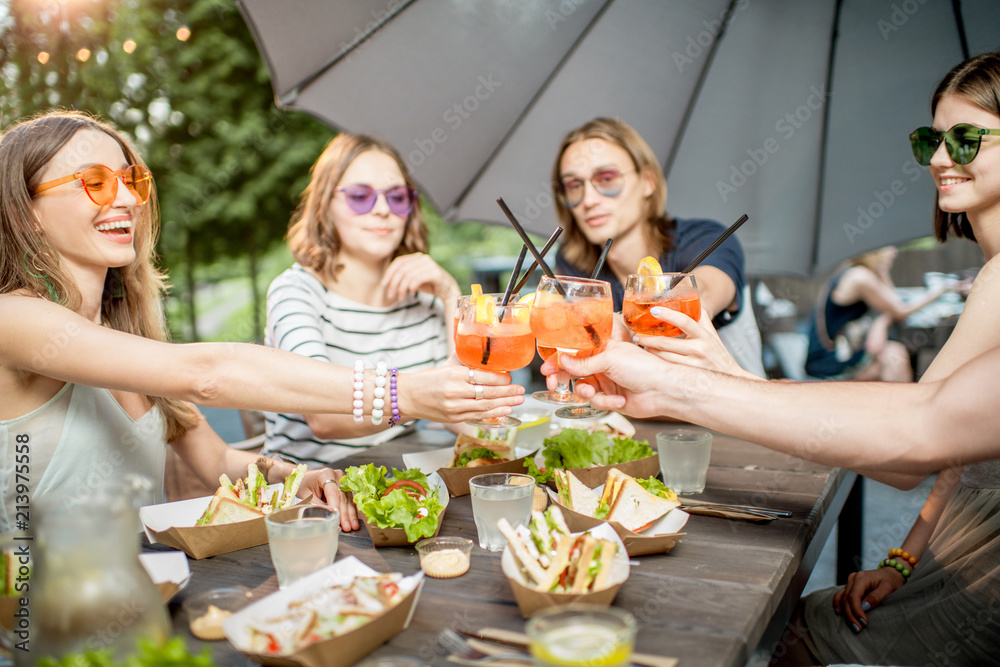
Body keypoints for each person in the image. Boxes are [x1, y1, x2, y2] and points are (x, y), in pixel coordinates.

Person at [544, 50, 1000, 666]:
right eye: (933, 140)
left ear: (646, 180)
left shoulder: (998, 279)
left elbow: (918, 440)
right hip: (955, 547)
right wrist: (902, 558)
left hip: (982, 577)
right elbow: (951, 450)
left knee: (782, 627)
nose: (942, 159)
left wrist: (680, 381)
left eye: (967, 139)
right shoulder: (990, 273)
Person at [0, 110, 524, 533]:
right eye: (93, 182)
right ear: (24, 209)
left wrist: (295, 477)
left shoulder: (125, 340)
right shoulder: (14, 319)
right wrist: (401, 393)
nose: (125, 197)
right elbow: (210, 372)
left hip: (143, 604)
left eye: (131, 179)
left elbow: (218, 462)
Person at [262, 133, 461, 465]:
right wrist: (418, 396)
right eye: (360, 196)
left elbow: (463, 416)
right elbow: (324, 416)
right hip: (306, 498)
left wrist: (450, 293)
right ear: (326, 203)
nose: (383, 210)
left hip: (395, 490)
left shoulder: (425, 304)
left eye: (397, 197)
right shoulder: (296, 293)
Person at [551, 117, 765, 377]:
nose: (589, 200)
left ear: (648, 182)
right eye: (574, 186)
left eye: (606, 178)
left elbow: (703, 295)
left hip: (728, 414)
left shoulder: (705, 238)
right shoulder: (573, 263)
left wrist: (618, 323)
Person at [805, 245, 956, 381]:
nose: (894, 252)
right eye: (888, 248)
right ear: (874, 251)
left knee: (892, 355)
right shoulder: (860, 277)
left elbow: (891, 302)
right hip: (829, 362)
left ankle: (899, 404)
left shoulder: (853, 269)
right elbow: (900, 311)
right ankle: (903, 406)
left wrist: (882, 270)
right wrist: (939, 291)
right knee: (894, 355)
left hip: (841, 352)